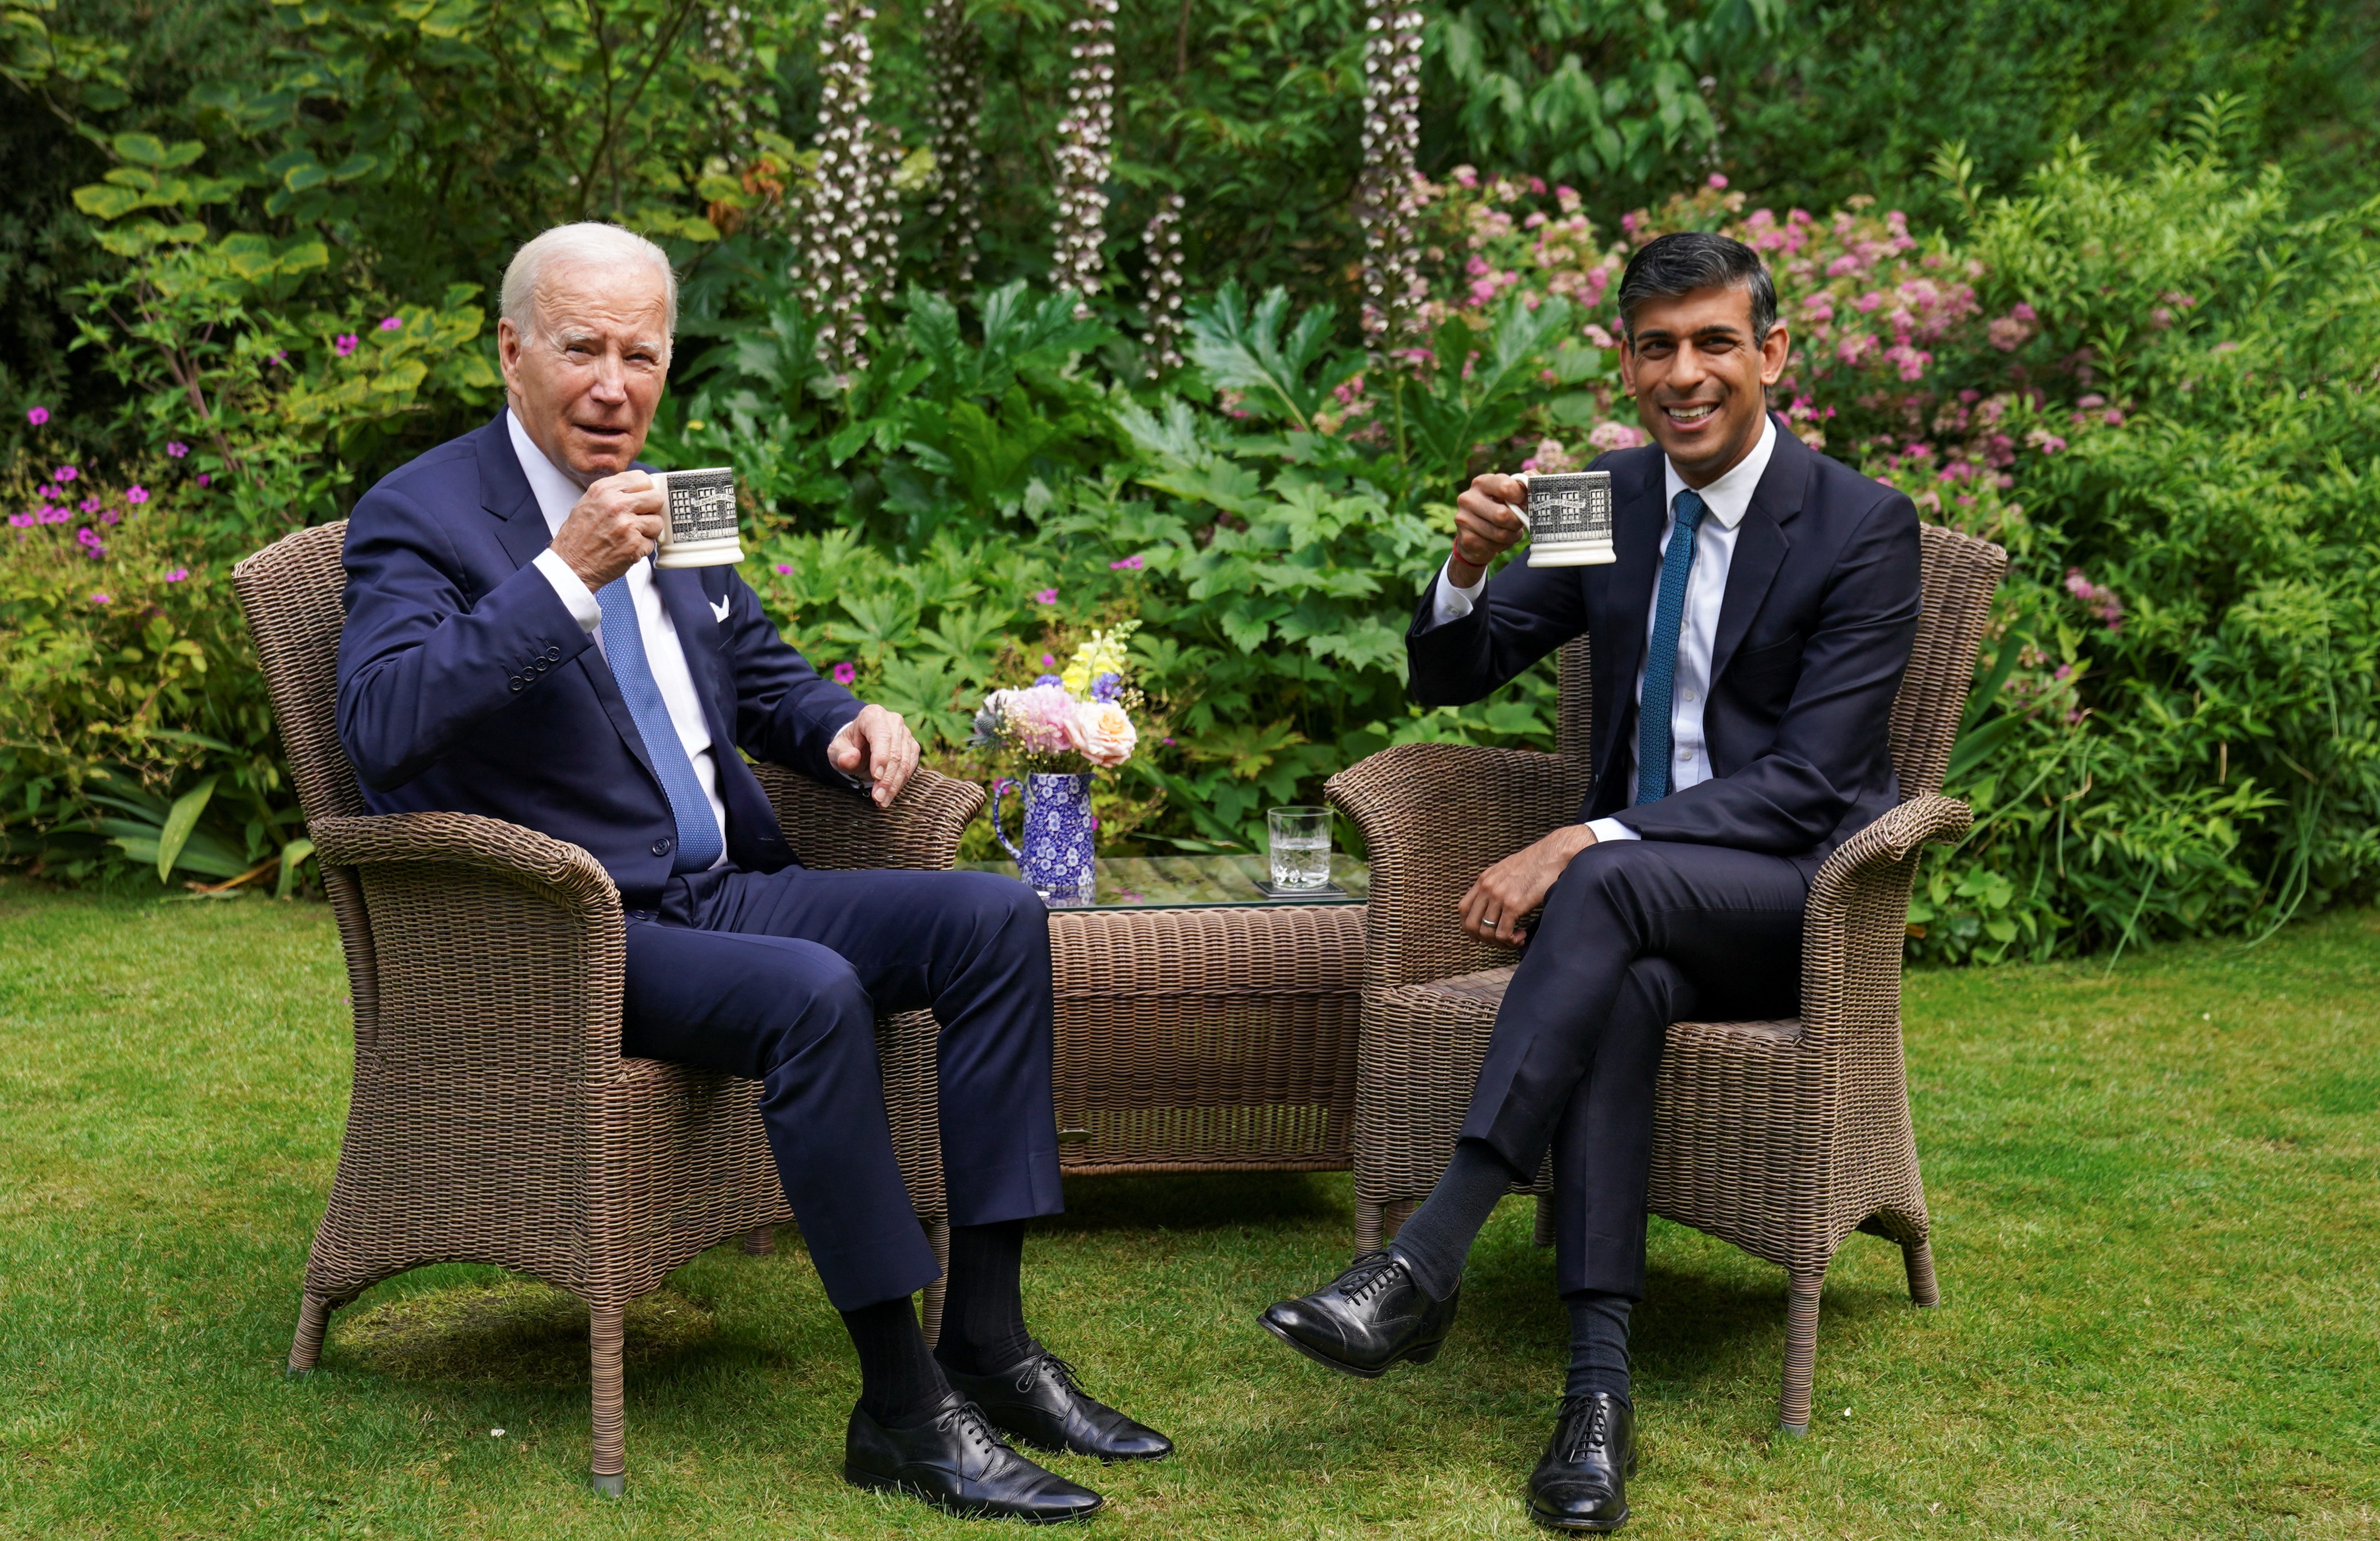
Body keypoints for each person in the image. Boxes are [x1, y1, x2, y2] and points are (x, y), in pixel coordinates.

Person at [336, 222, 1170, 1523]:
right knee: (812, 991)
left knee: (996, 921)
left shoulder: (679, 499)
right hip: (577, 926)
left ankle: (988, 1340)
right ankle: (900, 1406)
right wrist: (564, 576)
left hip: (726, 885)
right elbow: (381, 720)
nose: (613, 383)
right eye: (580, 350)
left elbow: (754, 669)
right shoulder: (423, 513)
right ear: (510, 352)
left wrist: (843, 723)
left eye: (640, 352)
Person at [1259, 231, 1922, 1533]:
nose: (1684, 373)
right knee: (1619, 978)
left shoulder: (1863, 526)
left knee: (1601, 883)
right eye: (1656, 347)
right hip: (1644, 915)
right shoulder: (1600, 500)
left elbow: (1812, 780)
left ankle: (1426, 1257)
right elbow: (1453, 675)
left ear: (1773, 353)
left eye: (1713, 341)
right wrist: (1462, 567)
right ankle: (1597, 1395)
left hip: (1792, 901)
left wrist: (1586, 839)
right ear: (1629, 361)